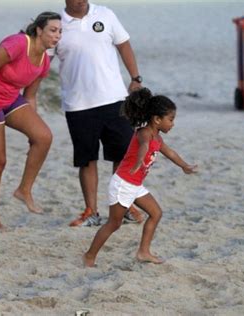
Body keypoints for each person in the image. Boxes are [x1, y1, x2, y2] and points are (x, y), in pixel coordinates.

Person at [54, 0, 145, 226]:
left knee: (123, 155)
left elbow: (124, 44)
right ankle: (91, 212)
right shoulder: (56, 24)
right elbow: (40, 59)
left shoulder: (105, 14)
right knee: (87, 159)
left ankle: (122, 207)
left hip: (114, 99)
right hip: (78, 105)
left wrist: (135, 78)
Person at [83, 88, 198, 267]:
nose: (172, 124)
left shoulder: (158, 138)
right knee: (114, 224)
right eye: (171, 119)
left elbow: (170, 153)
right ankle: (89, 256)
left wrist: (184, 166)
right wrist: (138, 162)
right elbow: (143, 146)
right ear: (157, 119)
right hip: (123, 183)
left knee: (156, 213)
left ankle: (143, 252)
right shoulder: (144, 132)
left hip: (135, 185)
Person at [0, 12, 62, 229]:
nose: (57, 35)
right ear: (39, 30)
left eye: (60, 31)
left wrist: (32, 126)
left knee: (43, 136)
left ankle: (24, 190)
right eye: (53, 30)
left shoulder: (44, 60)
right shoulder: (17, 44)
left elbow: (30, 96)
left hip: (11, 99)